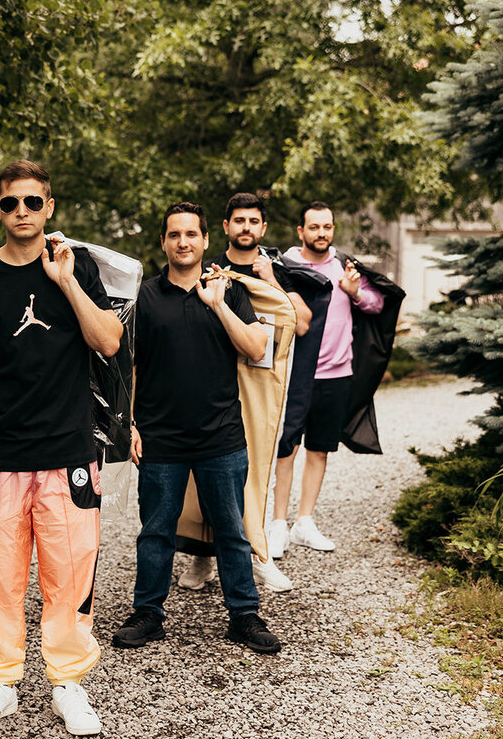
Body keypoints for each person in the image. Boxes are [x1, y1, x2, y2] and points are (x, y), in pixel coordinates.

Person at [0, 160, 123, 736]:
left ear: (49, 208)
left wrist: (65, 280)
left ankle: (68, 683)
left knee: (70, 572)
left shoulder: (76, 268)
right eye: (11, 203)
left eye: (33, 202)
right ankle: (0, 682)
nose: (22, 212)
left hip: (68, 449)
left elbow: (109, 341)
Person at [111, 201, 281, 655]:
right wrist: (129, 426)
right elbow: (126, 366)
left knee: (231, 530)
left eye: (191, 234)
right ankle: (148, 612)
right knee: (155, 530)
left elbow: (253, 346)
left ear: (206, 240)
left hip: (221, 436)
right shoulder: (143, 297)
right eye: (174, 235)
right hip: (160, 438)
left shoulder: (229, 289)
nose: (183, 242)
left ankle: (244, 615)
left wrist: (219, 305)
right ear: (163, 242)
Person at [178, 193, 309, 594]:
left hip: (258, 386)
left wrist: (269, 281)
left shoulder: (276, 270)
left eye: (253, 221)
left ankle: (259, 553)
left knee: (255, 467)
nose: (246, 227)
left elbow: (300, 322)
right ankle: (203, 557)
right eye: (239, 220)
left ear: (263, 228)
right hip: (214, 380)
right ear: (225, 227)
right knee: (204, 470)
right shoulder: (210, 267)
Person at [271, 201, 383, 553]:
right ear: (301, 231)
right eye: (314, 227)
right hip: (294, 374)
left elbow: (378, 304)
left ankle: (304, 522)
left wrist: (355, 292)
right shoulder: (284, 267)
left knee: (320, 450)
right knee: (286, 449)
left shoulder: (345, 267)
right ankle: (277, 524)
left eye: (327, 227)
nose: (322, 233)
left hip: (337, 374)